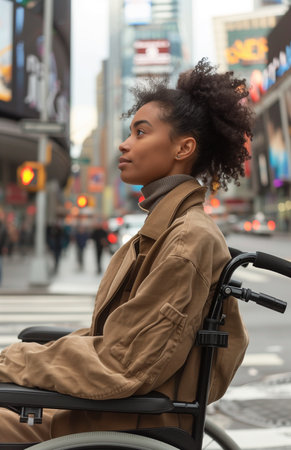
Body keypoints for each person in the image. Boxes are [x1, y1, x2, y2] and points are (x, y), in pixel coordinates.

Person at [0, 59, 252, 443]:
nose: (124, 143)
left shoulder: (186, 239)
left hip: (109, 427)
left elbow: (123, 364)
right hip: (97, 416)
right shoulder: (162, 230)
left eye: (140, 132)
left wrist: (12, 362)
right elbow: (120, 339)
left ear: (184, 147)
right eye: (129, 131)